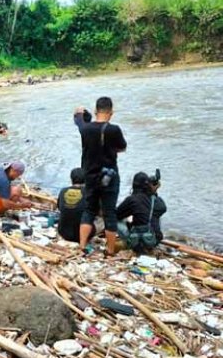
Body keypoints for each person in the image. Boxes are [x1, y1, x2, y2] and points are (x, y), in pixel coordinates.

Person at [74, 97, 127, 255]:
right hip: (109, 176)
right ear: (111, 112)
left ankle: (82, 247)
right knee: (110, 212)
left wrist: (79, 112)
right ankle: (110, 251)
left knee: (89, 210)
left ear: (96, 110)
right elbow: (122, 148)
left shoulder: (84, 129)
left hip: (90, 175)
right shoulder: (114, 129)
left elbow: (78, 118)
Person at [116, 171, 167, 251]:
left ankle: (129, 242)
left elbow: (116, 215)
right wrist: (154, 192)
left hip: (136, 242)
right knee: (155, 213)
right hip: (154, 240)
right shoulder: (154, 199)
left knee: (114, 220)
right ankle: (150, 244)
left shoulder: (131, 199)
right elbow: (163, 209)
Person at [57, 168, 93, 243]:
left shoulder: (63, 191)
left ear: (71, 179)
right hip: (82, 235)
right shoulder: (90, 193)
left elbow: (60, 208)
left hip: (63, 233)